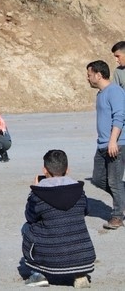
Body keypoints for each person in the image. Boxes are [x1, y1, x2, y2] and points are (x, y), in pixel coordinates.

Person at [22, 149, 95, 288]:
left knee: (26, 227)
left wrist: (34, 190)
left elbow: (30, 217)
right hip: (83, 257)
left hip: (50, 255)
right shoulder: (79, 191)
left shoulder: (39, 194)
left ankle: (38, 273)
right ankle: (79, 274)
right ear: (67, 170)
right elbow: (87, 210)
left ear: (44, 170)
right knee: (73, 223)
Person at [86, 60, 125, 230]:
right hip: (102, 144)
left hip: (115, 144)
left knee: (115, 182)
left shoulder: (115, 91)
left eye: (89, 75)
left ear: (99, 75)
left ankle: (117, 216)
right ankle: (122, 198)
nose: (87, 78)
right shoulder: (100, 93)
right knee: (98, 179)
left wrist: (113, 141)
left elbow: (119, 117)